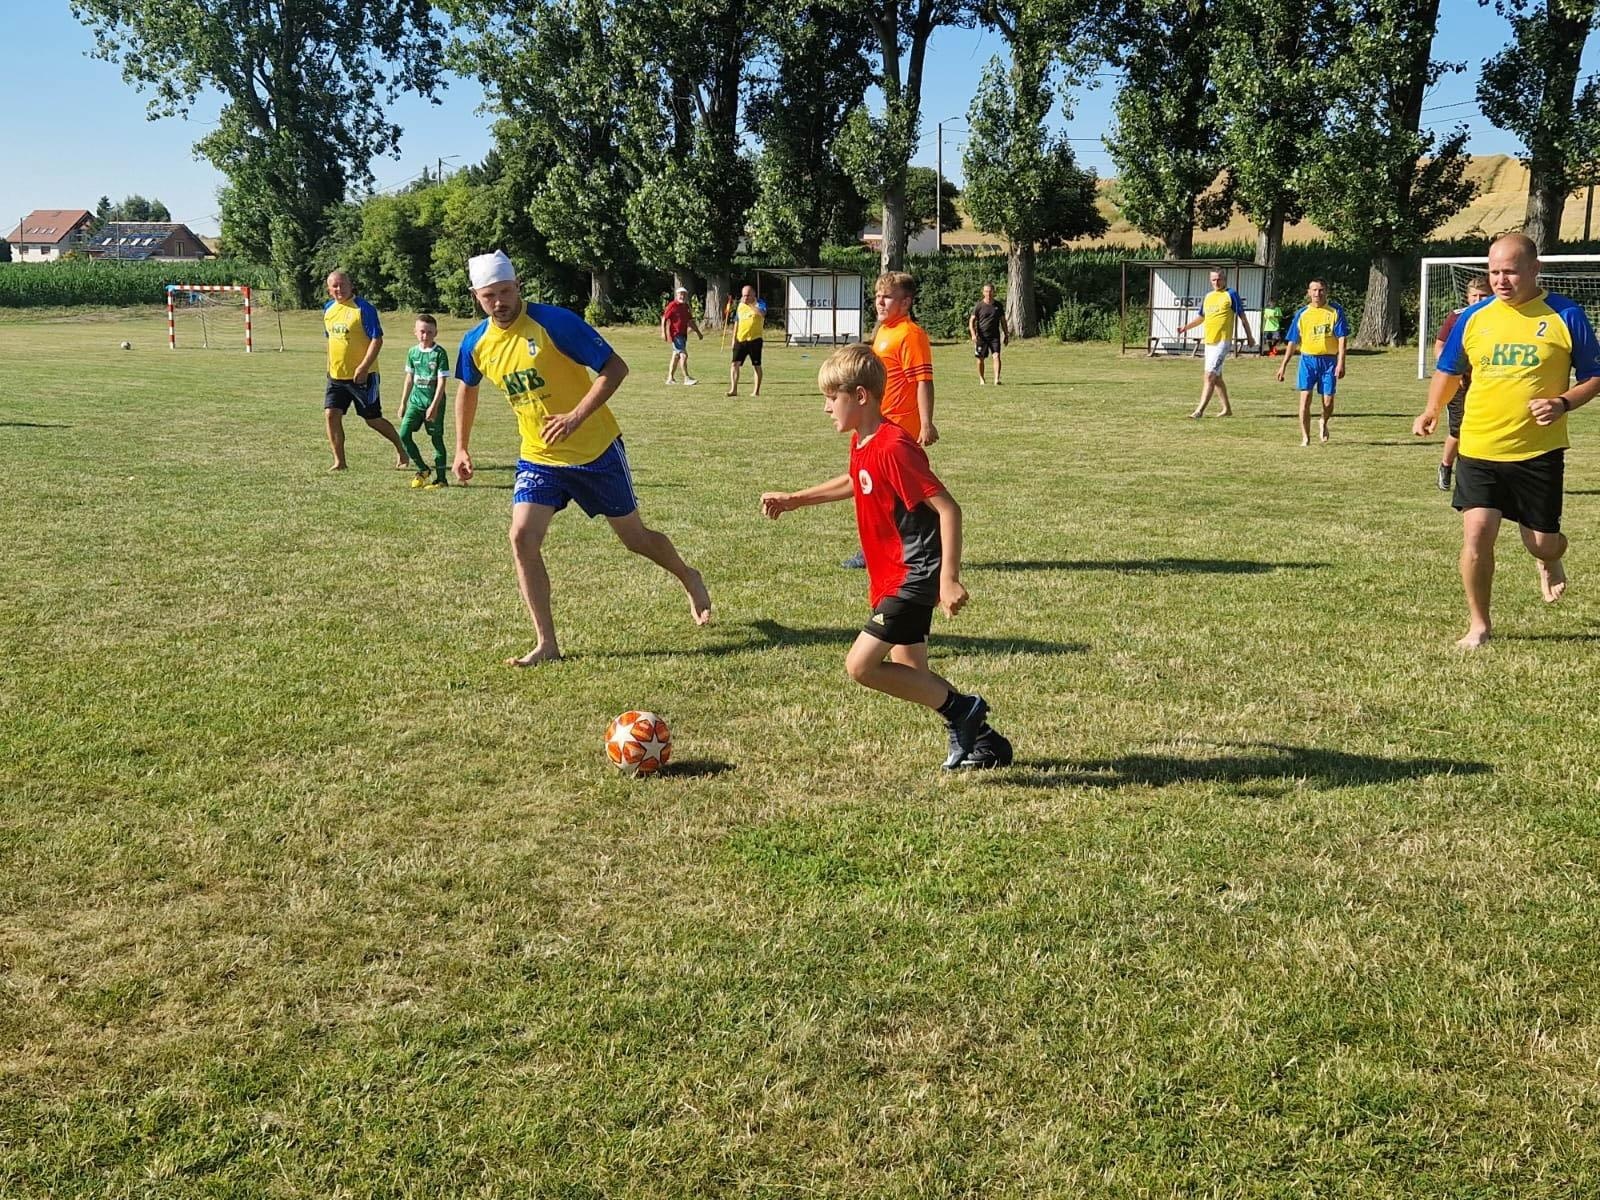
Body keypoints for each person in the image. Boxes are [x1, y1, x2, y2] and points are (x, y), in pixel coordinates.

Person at [452, 251, 712, 666]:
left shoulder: (555, 323)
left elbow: (615, 367)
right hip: (539, 457)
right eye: (489, 296)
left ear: (518, 286)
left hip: (596, 450)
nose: (499, 302)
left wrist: (576, 416)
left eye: (505, 291)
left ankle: (689, 576)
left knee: (635, 539)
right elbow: (467, 387)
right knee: (521, 537)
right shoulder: (476, 343)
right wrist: (462, 447)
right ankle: (547, 643)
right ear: (476, 297)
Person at [760, 343, 1011, 769]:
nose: (825, 408)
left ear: (860, 397)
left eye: (830, 397)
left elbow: (948, 509)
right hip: (890, 575)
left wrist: (948, 579)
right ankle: (986, 742)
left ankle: (964, 711)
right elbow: (856, 480)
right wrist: (795, 499)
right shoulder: (865, 440)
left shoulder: (896, 446)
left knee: (860, 666)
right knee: (909, 670)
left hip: (914, 575)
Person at [1411, 232, 1600, 649]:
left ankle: (1550, 560)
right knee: (1477, 534)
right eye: (1494, 271)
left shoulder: (1565, 315)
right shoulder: (1474, 318)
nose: (1501, 280)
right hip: (1479, 446)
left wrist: (1563, 402)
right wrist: (1432, 409)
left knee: (1542, 544)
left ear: (1535, 269)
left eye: (1510, 271)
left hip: (1538, 451)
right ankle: (1479, 624)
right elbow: (1448, 369)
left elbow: (1594, 377)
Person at [842, 271, 937, 569]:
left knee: (886, 492)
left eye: (887, 297)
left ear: (906, 302)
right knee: (872, 488)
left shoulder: (910, 335)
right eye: (877, 296)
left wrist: (926, 423)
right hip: (874, 424)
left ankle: (882, 551)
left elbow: (923, 381)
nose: (879, 302)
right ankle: (881, 549)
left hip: (897, 429)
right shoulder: (884, 330)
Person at [322, 270, 409, 472]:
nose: (339, 289)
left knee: (373, 420)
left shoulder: (364, 309)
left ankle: (401, 449)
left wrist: (363, 367)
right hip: (336, 376)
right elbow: (331, 340)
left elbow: (376, 339)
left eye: (342, 284)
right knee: (331, 415)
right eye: (334, 285)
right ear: (329, 289)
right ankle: (340, 462)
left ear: (351, 285)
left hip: (364, 377)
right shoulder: (328, 309)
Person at [1434, 275, 1491, 492]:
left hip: (1487, 383)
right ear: (1467, 298)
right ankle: (1446, 466)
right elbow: (1440, 347)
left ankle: (1479, 473)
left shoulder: (1498, 318)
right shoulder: (1457, 318)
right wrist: (1452, 374)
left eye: (1483, 296)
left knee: (1483, 429)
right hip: (1460, 384)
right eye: (1474, 296)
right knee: (1458, 430)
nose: (1478, 300)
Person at [1275, 279, 1349, 446]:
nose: (1317, 294)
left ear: (1326, 291)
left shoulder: (1335, 311)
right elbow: (1292, 342)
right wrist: (1283, 366)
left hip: (1329, 361)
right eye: (1314, 290)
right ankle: (1305, 437)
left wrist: (1341, 362)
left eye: (1321, 290)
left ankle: (1323, 420)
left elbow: (1342, 339)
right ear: (1308, 292)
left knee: (1328, 401)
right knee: (1305, 398)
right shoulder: (1302, 314)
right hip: (1307, 361)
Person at [1178, 267, 1254, 418]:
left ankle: (1199, 411)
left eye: (1219, 279)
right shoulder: (1208, 296)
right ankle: (1227, 409)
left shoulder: (1230, 294)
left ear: (1224, 279)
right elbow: (1201, 317)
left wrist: (1249, 337)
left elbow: (1242, 317)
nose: (1216, 282)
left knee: (1209, 376)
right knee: (1216, 377)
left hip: (1222, 341)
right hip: (1210, 341)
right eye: (1213, 279)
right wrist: (1186, 327)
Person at [397, 314, 451, 489]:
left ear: (436, 333)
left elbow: (442, 382)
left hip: (433, 403)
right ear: (415, 332)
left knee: (436, 439)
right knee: (404, 434)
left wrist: (434, 406)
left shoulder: (439, 353)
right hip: (415, 402)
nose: (425, 336)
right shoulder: (412, 352)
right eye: (422, 332)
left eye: (429, 332)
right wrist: (403, 403)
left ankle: (441, 479)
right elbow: (409, 378)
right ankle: (423, 469)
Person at [727, 285, 766, 397]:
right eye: (744, 295)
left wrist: (750, 304)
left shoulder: (760, 303)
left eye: (748, 295)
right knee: (734, 364)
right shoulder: (740, 306)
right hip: (741, 338)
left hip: (755, 339)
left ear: (754, 294)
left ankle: (756, 391)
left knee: (756, 365)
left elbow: (762, 314)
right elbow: (737, 322)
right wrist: (733, 339)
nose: (745, 297)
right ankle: (733, 389)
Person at [661, 286, 703, 385]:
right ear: (677, 295)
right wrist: (663, 332)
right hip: (675, 335)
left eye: (684, 294)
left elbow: (690, 321)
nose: (682, 296)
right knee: (683, 355)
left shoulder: (686, 307)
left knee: (676, 356)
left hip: (683, 335)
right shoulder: (672, 305)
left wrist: (698, 332)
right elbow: (664, 318)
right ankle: (686, 378)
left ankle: (670, 378)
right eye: (680, 294)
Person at [969, 283, 1009, 384]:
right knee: (980, 359)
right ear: (983, 292)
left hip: (995, 336)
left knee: (996, 356)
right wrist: (973, 334)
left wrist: (1006, 334)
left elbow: (1003, 321)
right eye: (986, 291)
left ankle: (997, 379)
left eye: (990, 291)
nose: (988, 293)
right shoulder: (979, 306)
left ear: (994, 292)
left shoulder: (998, 306)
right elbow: (971, 321)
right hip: (982, 337)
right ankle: (982, 379)